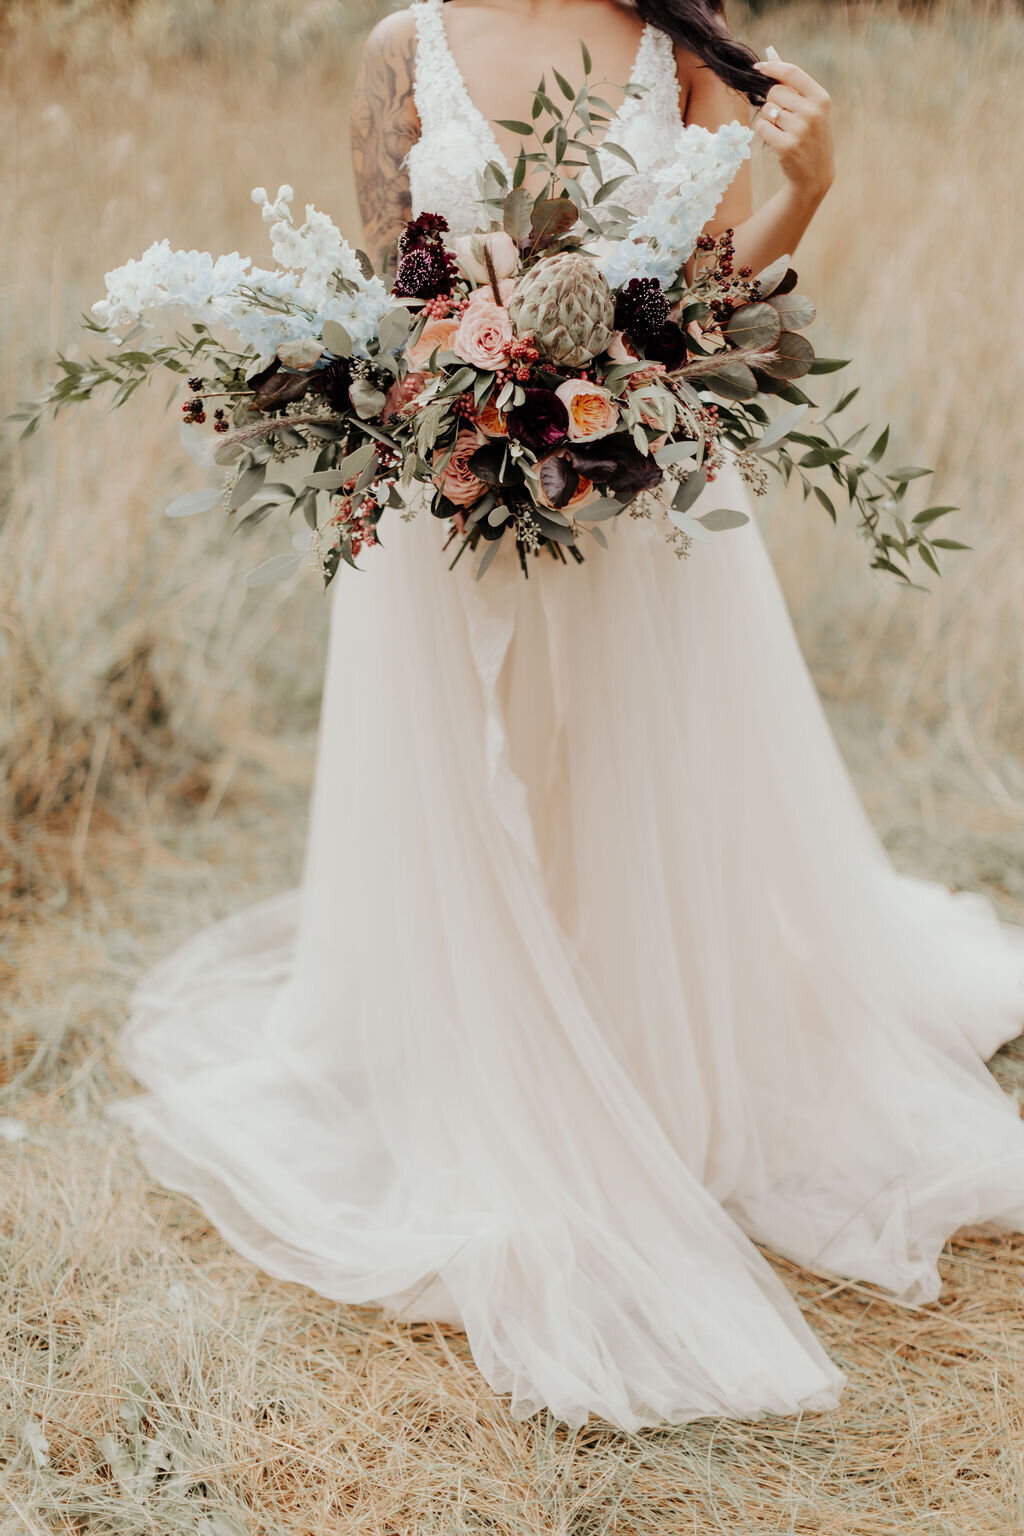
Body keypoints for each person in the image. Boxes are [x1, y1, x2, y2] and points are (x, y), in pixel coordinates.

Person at [114, 0, 1024, 1431]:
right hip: (450, 506)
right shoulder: (398, 54)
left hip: (644, 505)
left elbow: (712, 297)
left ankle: (642, 1074)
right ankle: (500, 1074)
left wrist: (812, 182)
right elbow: (381, 300)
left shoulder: (678, 52)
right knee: (481, 800)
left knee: (632, 786)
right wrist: (458, 409)